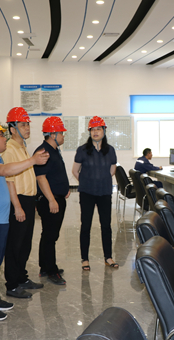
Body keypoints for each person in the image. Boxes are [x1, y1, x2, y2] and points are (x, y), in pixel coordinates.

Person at [0, 118, 49, 321]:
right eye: (1, 135)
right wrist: (33, 161)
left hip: (0, 219)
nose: (4, 138)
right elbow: (6, 172)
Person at [3, 107, 44, 298]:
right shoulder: (9, 149)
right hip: (17, 201)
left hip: (27, 200)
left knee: (25, 243)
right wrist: (18, 206)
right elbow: (9, 180)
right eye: (22, 125)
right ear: (12, 129)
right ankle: (12, 284)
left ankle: (21, 277)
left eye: (27, 124)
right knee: (15, 244)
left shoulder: (22, 147)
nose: (27, 128)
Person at [72, 116, 118, 271]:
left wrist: (101, 180)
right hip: (87, 193)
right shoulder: (82, 150)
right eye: (93, 129)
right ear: (89, 132)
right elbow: (75, 171)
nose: (95, 132)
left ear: (104, 131)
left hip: (104, 192)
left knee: (106, 225)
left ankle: (108, 257)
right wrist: (87, 181)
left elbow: (112, 170)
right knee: (86, 225)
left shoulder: (110, 150)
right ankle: (85, 259)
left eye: (98, 129)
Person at [34, 117, 70, 285]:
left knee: (49, 234)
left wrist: (64, 188)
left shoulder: (53, 150)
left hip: (56, 197)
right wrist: (51, 200)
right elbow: (41, 178)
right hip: (50, 200)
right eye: (61, 133)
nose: (63, 136)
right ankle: (51, 270)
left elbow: (54, 174)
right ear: (53, 134)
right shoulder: (44, 152)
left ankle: (45, 266)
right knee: (50, 236)